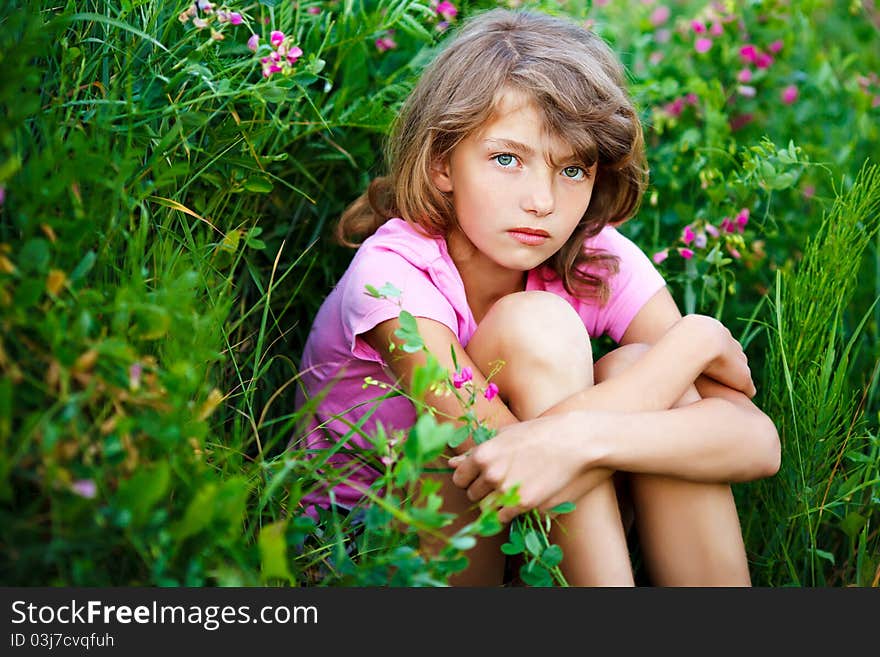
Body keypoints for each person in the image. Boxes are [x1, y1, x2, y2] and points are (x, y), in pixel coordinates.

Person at [294, 8, 780, 586]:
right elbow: (502, 462)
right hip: (381, 546)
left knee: (641, 366)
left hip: (542, 524)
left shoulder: (596, 256)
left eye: (572, 170)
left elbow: (755, 441)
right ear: (443, 161)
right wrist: (692, 342)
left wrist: (593, 429)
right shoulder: (392, 278)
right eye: (507, 159)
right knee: (550, 331)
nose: (542, 201)